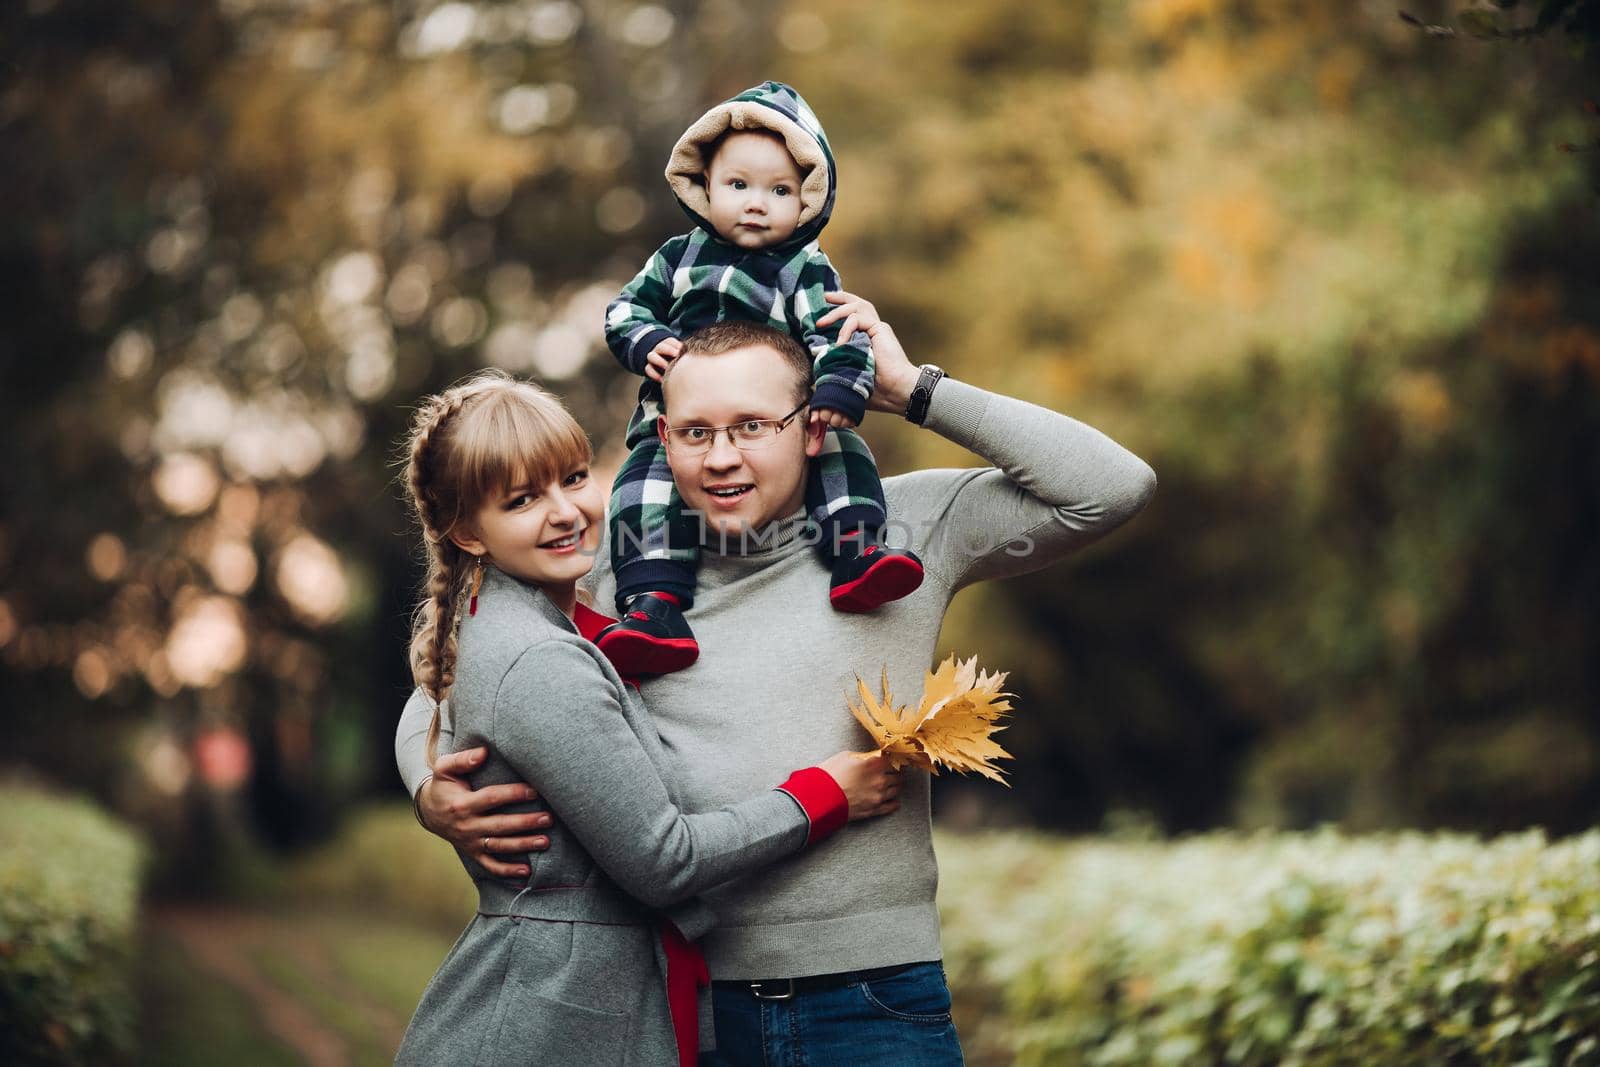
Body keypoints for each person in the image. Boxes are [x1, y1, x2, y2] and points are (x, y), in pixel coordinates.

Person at [398, 299, 1157, 1063]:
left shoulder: (899, 530)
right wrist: (430, 786)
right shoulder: (616, 566)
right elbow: (454, 681)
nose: (722, 457)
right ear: (664, 436)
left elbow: (1110, 487)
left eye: (753, 426)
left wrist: (913, 389)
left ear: (814, 422)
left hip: (874, 997)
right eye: (696, 432)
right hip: (690, 1003)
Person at [391, 371, 903, 1066]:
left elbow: (438, 689)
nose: (566, 511)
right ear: (466, 532)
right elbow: (664, 860)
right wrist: (825, 795)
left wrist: (425, 783)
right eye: (522, 499)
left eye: (572, 478)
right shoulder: (539, 653)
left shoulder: (556, 597)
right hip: (551, 1023)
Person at [598, 80, 922, 677]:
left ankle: (857, 552)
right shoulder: (676, 258)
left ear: (807, 200)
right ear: (703, 188)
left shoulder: (806, 267)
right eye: (737, 186)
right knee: (640, 489)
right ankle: (652, 601)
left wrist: (840, 388)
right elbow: (623, 310)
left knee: (840, 449)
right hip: (673, 414)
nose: (755, 203)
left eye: (778, 190)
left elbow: (837, 332)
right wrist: (643, 339)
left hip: (788, 412)